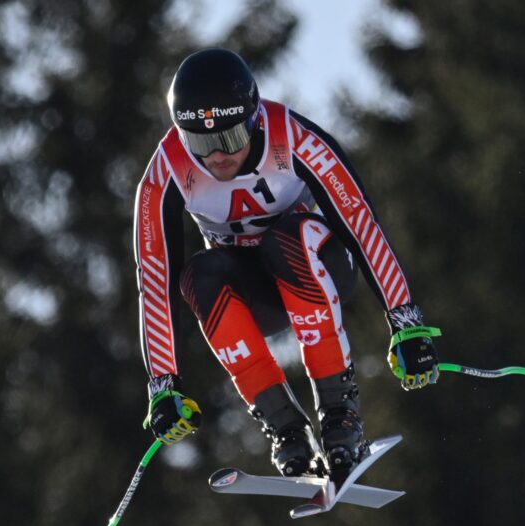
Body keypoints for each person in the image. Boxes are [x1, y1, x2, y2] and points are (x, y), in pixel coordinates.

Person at [135, 48, 440, 478]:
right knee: (199, 275)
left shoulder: (291, 138)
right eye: (201, 143)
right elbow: (154, 277)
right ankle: (286, 430)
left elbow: (361, 225)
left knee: (286, 239)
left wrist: (405, 321)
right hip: (257, 293)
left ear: (253, 119)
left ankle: (340, 414)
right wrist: (164, 387)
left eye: (229, 139)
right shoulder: (167, 169)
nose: (217, 157)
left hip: (321, 266)